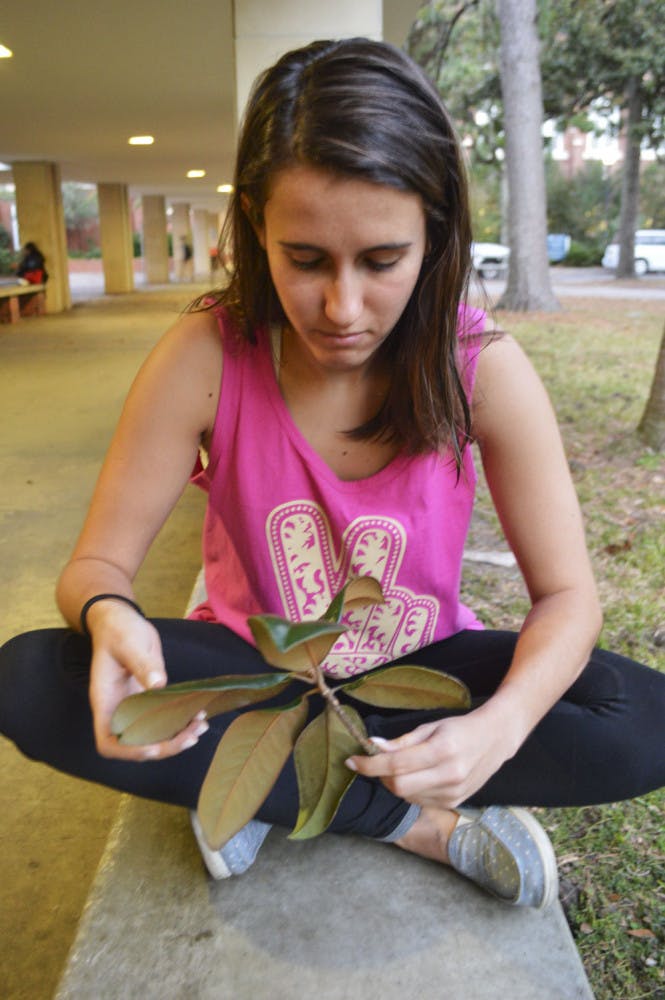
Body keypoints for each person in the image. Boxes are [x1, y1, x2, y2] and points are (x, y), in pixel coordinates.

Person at [0, 38, 663, 910]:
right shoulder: (204, 354)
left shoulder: (481, 368)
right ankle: (404, 819)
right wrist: (109, 615)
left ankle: (262, 785)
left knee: (640, 721)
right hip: (255, 665)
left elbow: (569, 597)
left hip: (419, 671)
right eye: (304, 259)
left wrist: (495, 733)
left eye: (381, 261)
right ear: (255, 225)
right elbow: (95, 569)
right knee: (29, 680)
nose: (341, 309)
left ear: (434, 230)